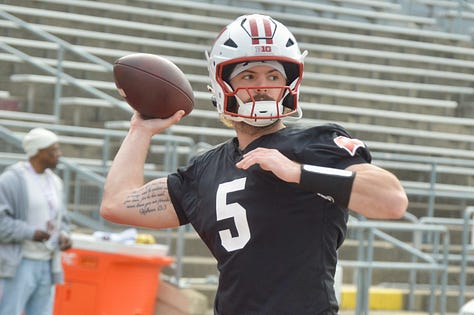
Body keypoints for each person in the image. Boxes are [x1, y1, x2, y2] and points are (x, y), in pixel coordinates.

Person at [100, 14, 408, 314]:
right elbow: (117, 203)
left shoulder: (316, 143)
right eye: (249, 76)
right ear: (220, 84)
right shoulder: (205, 169)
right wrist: (140, 130)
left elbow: (392, 201)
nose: (262, 86)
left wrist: (298, 172)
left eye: (273, 76)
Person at [0, 127, 72, 315]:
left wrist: (64, 234)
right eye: (53, 150)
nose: (59, 154)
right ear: (38, 152)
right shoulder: (11, 180)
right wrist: (30, 233)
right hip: (20, 262)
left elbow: (61, 218)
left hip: (48, 262)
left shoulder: (55, 181)